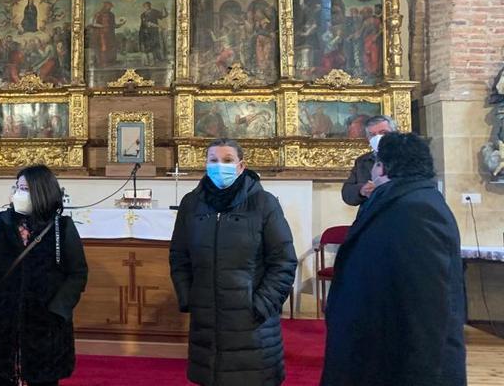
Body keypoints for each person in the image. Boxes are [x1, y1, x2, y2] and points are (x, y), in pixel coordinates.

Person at [322, 133, 466, 385]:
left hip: (398, 361)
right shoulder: (400, 201)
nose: (373, 170)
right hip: (379, 346)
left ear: (384, 167)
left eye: (376, 164)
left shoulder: (418, 210)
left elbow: (427, 305)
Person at [170, 138, 297, 386]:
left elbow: (283, 261)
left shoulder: (264, 203)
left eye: (227, 161)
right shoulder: (191, 203)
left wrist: (261, 305)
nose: (220, 166)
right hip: (206, 321)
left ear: (241, 166)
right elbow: (179, 256)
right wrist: (188, 297)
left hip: (252, 323)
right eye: (213, 160)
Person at [0, 164, 88, 386]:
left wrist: (58, 310)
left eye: (25, 189)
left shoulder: (61, 227)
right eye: (17, 188)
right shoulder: (2, 223)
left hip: (45, 323)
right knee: (3, 376)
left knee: (42, 378)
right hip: (3, 320)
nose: (18, 194)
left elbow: (77, 273)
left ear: (41, 191)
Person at [341, 115, 397, 206]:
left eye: (383, 133)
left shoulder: (409, 157)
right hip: (371, 214)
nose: (378, 138)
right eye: (372, 135)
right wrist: (362, 190)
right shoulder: (362, 161)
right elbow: (347, 193)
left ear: (395, 133)